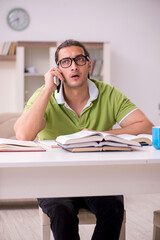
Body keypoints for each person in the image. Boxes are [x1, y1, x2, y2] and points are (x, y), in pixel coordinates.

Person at [14, 39, 153, 240]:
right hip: (54, 180)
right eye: (66, 62)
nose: (74, 66)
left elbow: (145, 125)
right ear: (58, 69)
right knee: (62, 213)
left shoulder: (108, 93)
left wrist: (100, 136)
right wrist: (47, 89)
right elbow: (23, 135)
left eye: (79, 60)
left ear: (89, 65)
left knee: (113, 209)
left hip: (98, 178)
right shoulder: (44, 95)